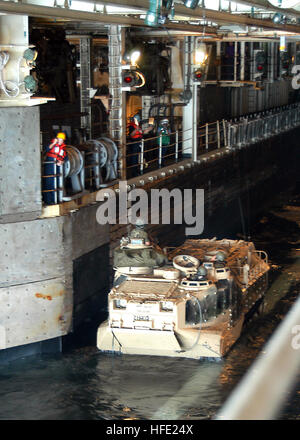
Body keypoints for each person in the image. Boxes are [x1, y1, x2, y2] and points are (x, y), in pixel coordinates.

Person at [43, 132, 68, 204]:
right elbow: (47, 149)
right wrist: (54, 143)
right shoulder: (52, 145)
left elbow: (66, 158)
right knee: (48, 183)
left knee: (56, 184)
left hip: (57, 168)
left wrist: (62, 162)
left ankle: (54, 200)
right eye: (60, 139)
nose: (61, 141)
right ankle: (48, 201)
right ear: (57, 139)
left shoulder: (63, 149)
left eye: (62, 140)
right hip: (49, 166)